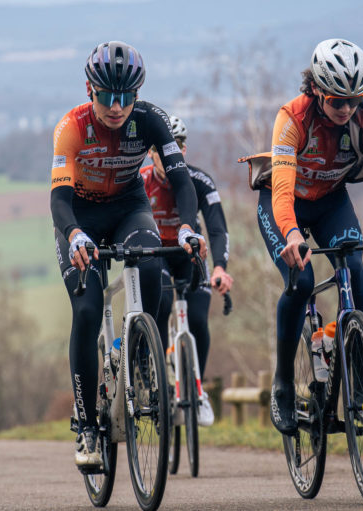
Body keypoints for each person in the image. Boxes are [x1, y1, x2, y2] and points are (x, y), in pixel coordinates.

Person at [251, 39, 363, 434]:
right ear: (316, 90)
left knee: (354, 266)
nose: (346, 110)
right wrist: (292, 235)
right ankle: (282, 385)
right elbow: (280, 192)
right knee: (302, 282)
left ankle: (360, 384)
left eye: (354, 100)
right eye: (336, 101)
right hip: (284, 203)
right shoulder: (292, 117)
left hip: (329, 202)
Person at [50, 41, 206, 467]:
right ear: (89, 90)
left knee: (153, 263)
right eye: (106, 96)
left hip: (128, 209)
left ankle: (142, 356)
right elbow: (59, 199)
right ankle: (85, 425)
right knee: (86, 311)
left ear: (137, 95)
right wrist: (74, 234)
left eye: (126, 97)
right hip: (79, 218)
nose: (116, 107)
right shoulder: (72, 127)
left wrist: (189, 226)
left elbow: (183, 181)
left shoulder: (152, 121)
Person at [140, 115, 233, 427]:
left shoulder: (200, 180)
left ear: (183, 147)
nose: (172, 151)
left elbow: (218, 229)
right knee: (162, 305)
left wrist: (220, 267)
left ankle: (197, 388)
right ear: (151, 152)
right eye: (165, 146)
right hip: (157, 256)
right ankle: (157, 380)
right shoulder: (140, 181)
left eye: (178, 144)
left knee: (196, 320)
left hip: (189, 255)